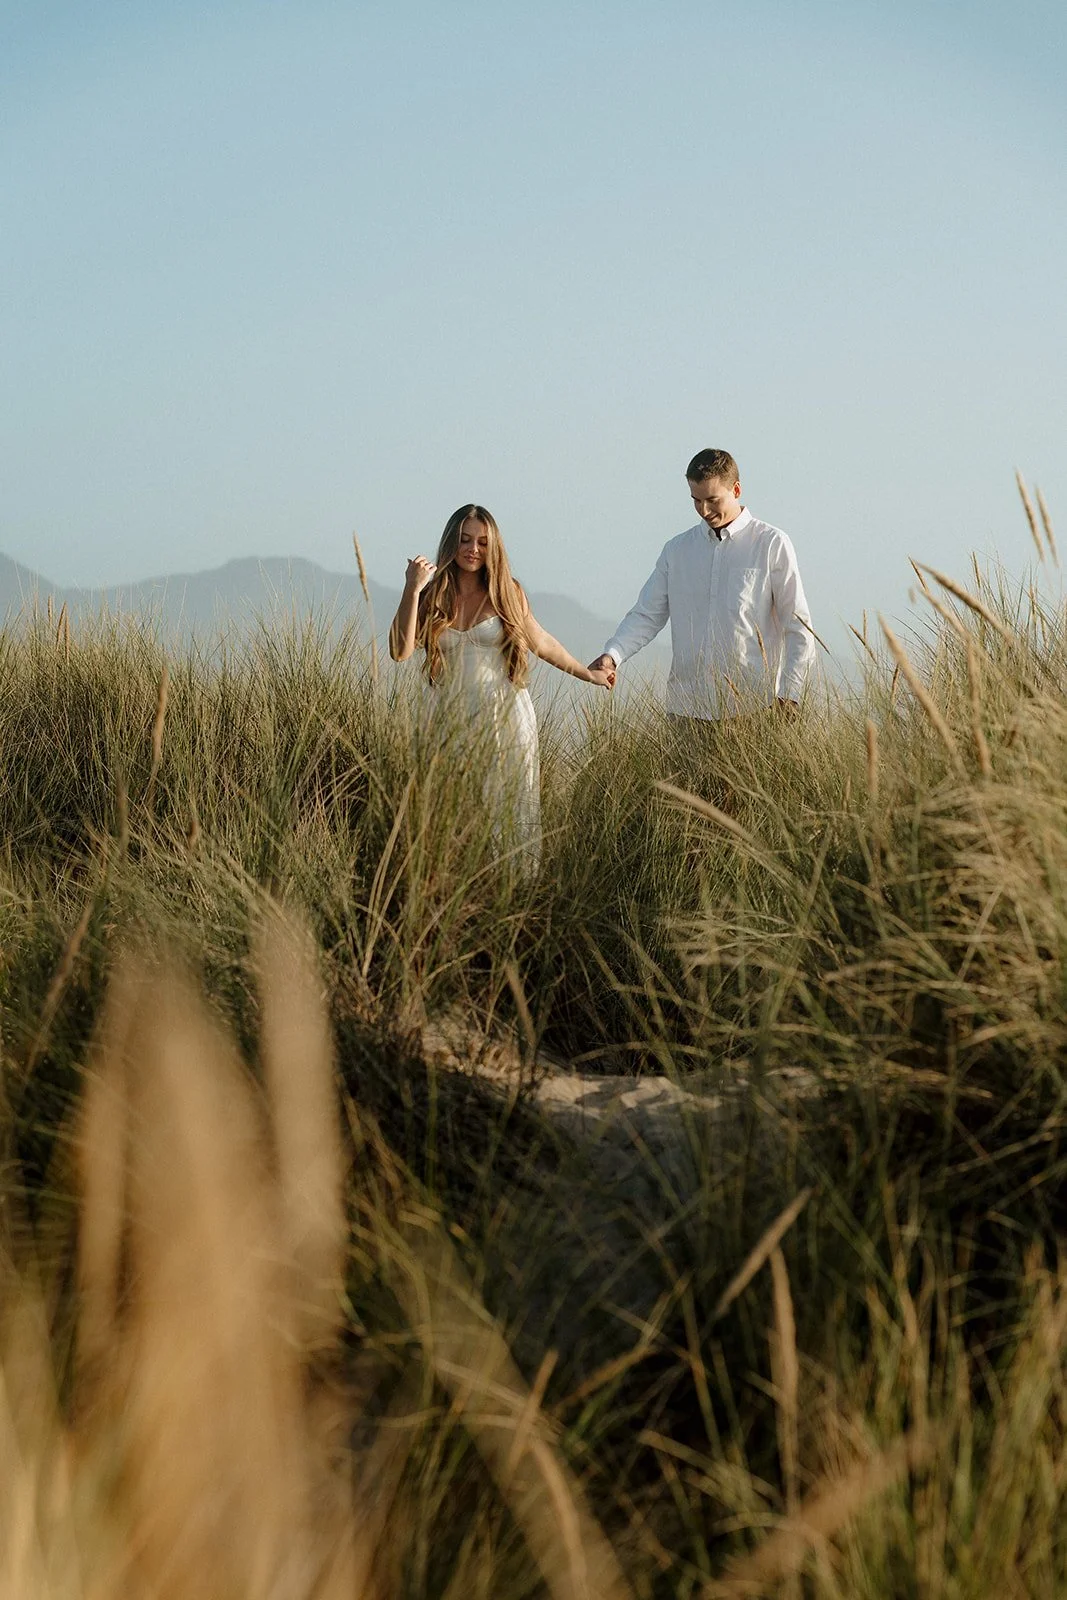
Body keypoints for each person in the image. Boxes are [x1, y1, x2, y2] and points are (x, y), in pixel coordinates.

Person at [389, 504, 614, 871]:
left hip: (504, 718)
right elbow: (400, 651)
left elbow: (540, 641)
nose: (472, 549)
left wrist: (586, 673)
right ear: (451, 543)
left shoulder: (506, 591)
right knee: (449, 817)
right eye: (464, 540)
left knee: (508, 816)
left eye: (481, 542)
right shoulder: (433, 596)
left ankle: (513, 901)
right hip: (445, 718)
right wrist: (413, 588)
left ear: (493, 547)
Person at [588, 448, 816, 721]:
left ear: (737, 489)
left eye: (712, 499)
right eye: (696, 500)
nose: (704, 510)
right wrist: (613, 655)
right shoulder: (677, 550)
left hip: (754, 710)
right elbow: (647, 615)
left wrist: (790, 695)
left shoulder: (771, 544)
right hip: (686, 710)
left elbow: (798, 626)